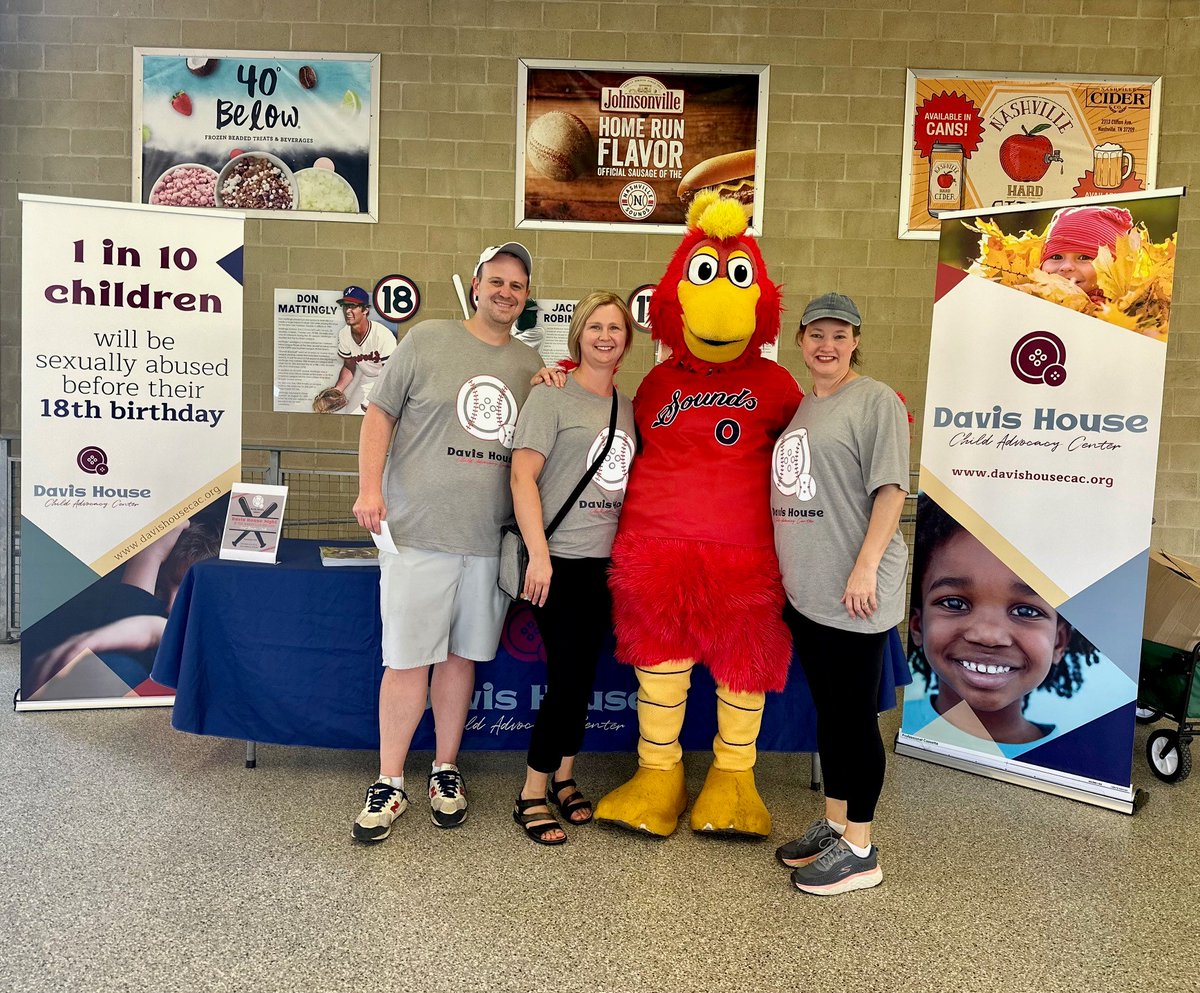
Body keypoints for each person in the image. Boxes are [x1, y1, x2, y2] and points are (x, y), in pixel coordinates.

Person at [350, 243, 543, 843]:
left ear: (526, 296)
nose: (506, 292)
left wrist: (554, 379)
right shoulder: (427, 340)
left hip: (487, 544)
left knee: (460, 660)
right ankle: (388, 780)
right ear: (477, 286)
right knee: (407, 661)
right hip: (417, 535)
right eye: (497, 281)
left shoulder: (530, 364)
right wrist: (368, 491)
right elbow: (378, 414)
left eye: (517, 285)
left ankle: (445, 768)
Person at [770, 291, 909, 896]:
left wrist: (865, 567)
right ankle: (833, 824)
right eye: (816, 334)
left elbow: (891, 491)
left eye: (840, 335)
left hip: (855, 591)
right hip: (809, 591)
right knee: (829, 714)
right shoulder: (804, 407)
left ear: (855, 342)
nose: (827, 345)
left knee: (854, 720)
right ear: (801, 340)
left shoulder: (873, 400)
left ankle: (860, 847)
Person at [508, 291, 636, 845]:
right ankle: (531, 793)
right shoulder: (551, 397)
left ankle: (564, 777)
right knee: (565, 683)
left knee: (582, 679)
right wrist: (539, 554)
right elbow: (521, 478)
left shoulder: (626, 406)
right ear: (577, 335)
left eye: (615, 328)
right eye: (594, 327)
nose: (605, 336)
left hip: (606, 566)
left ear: (628, 340)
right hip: (558, 562)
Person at [907, 493, 1100, 746]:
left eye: (1026, 611)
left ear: (1059, 642)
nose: (988, 636)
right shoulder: (882, 729)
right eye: (954, 603)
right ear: (917, 625)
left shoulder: (1075, 757)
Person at [319, 285, 396, 412]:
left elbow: (392, 375)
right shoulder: (344, 334)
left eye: (353, 306)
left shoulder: (382, 335)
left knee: (371, 413)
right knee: (351, 412)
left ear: (365, 310)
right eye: (345, 306)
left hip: (387, 382)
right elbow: (349, 365)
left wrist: (375, 399)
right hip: (367, 378)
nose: (347, 311)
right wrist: (337, 389)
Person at [1037, 205, 1135, 304]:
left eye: (1084, 257)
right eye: (1056, 257)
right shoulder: (1028, 294)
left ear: (1114, 268)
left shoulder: (1134, 308)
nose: (1066, 267)